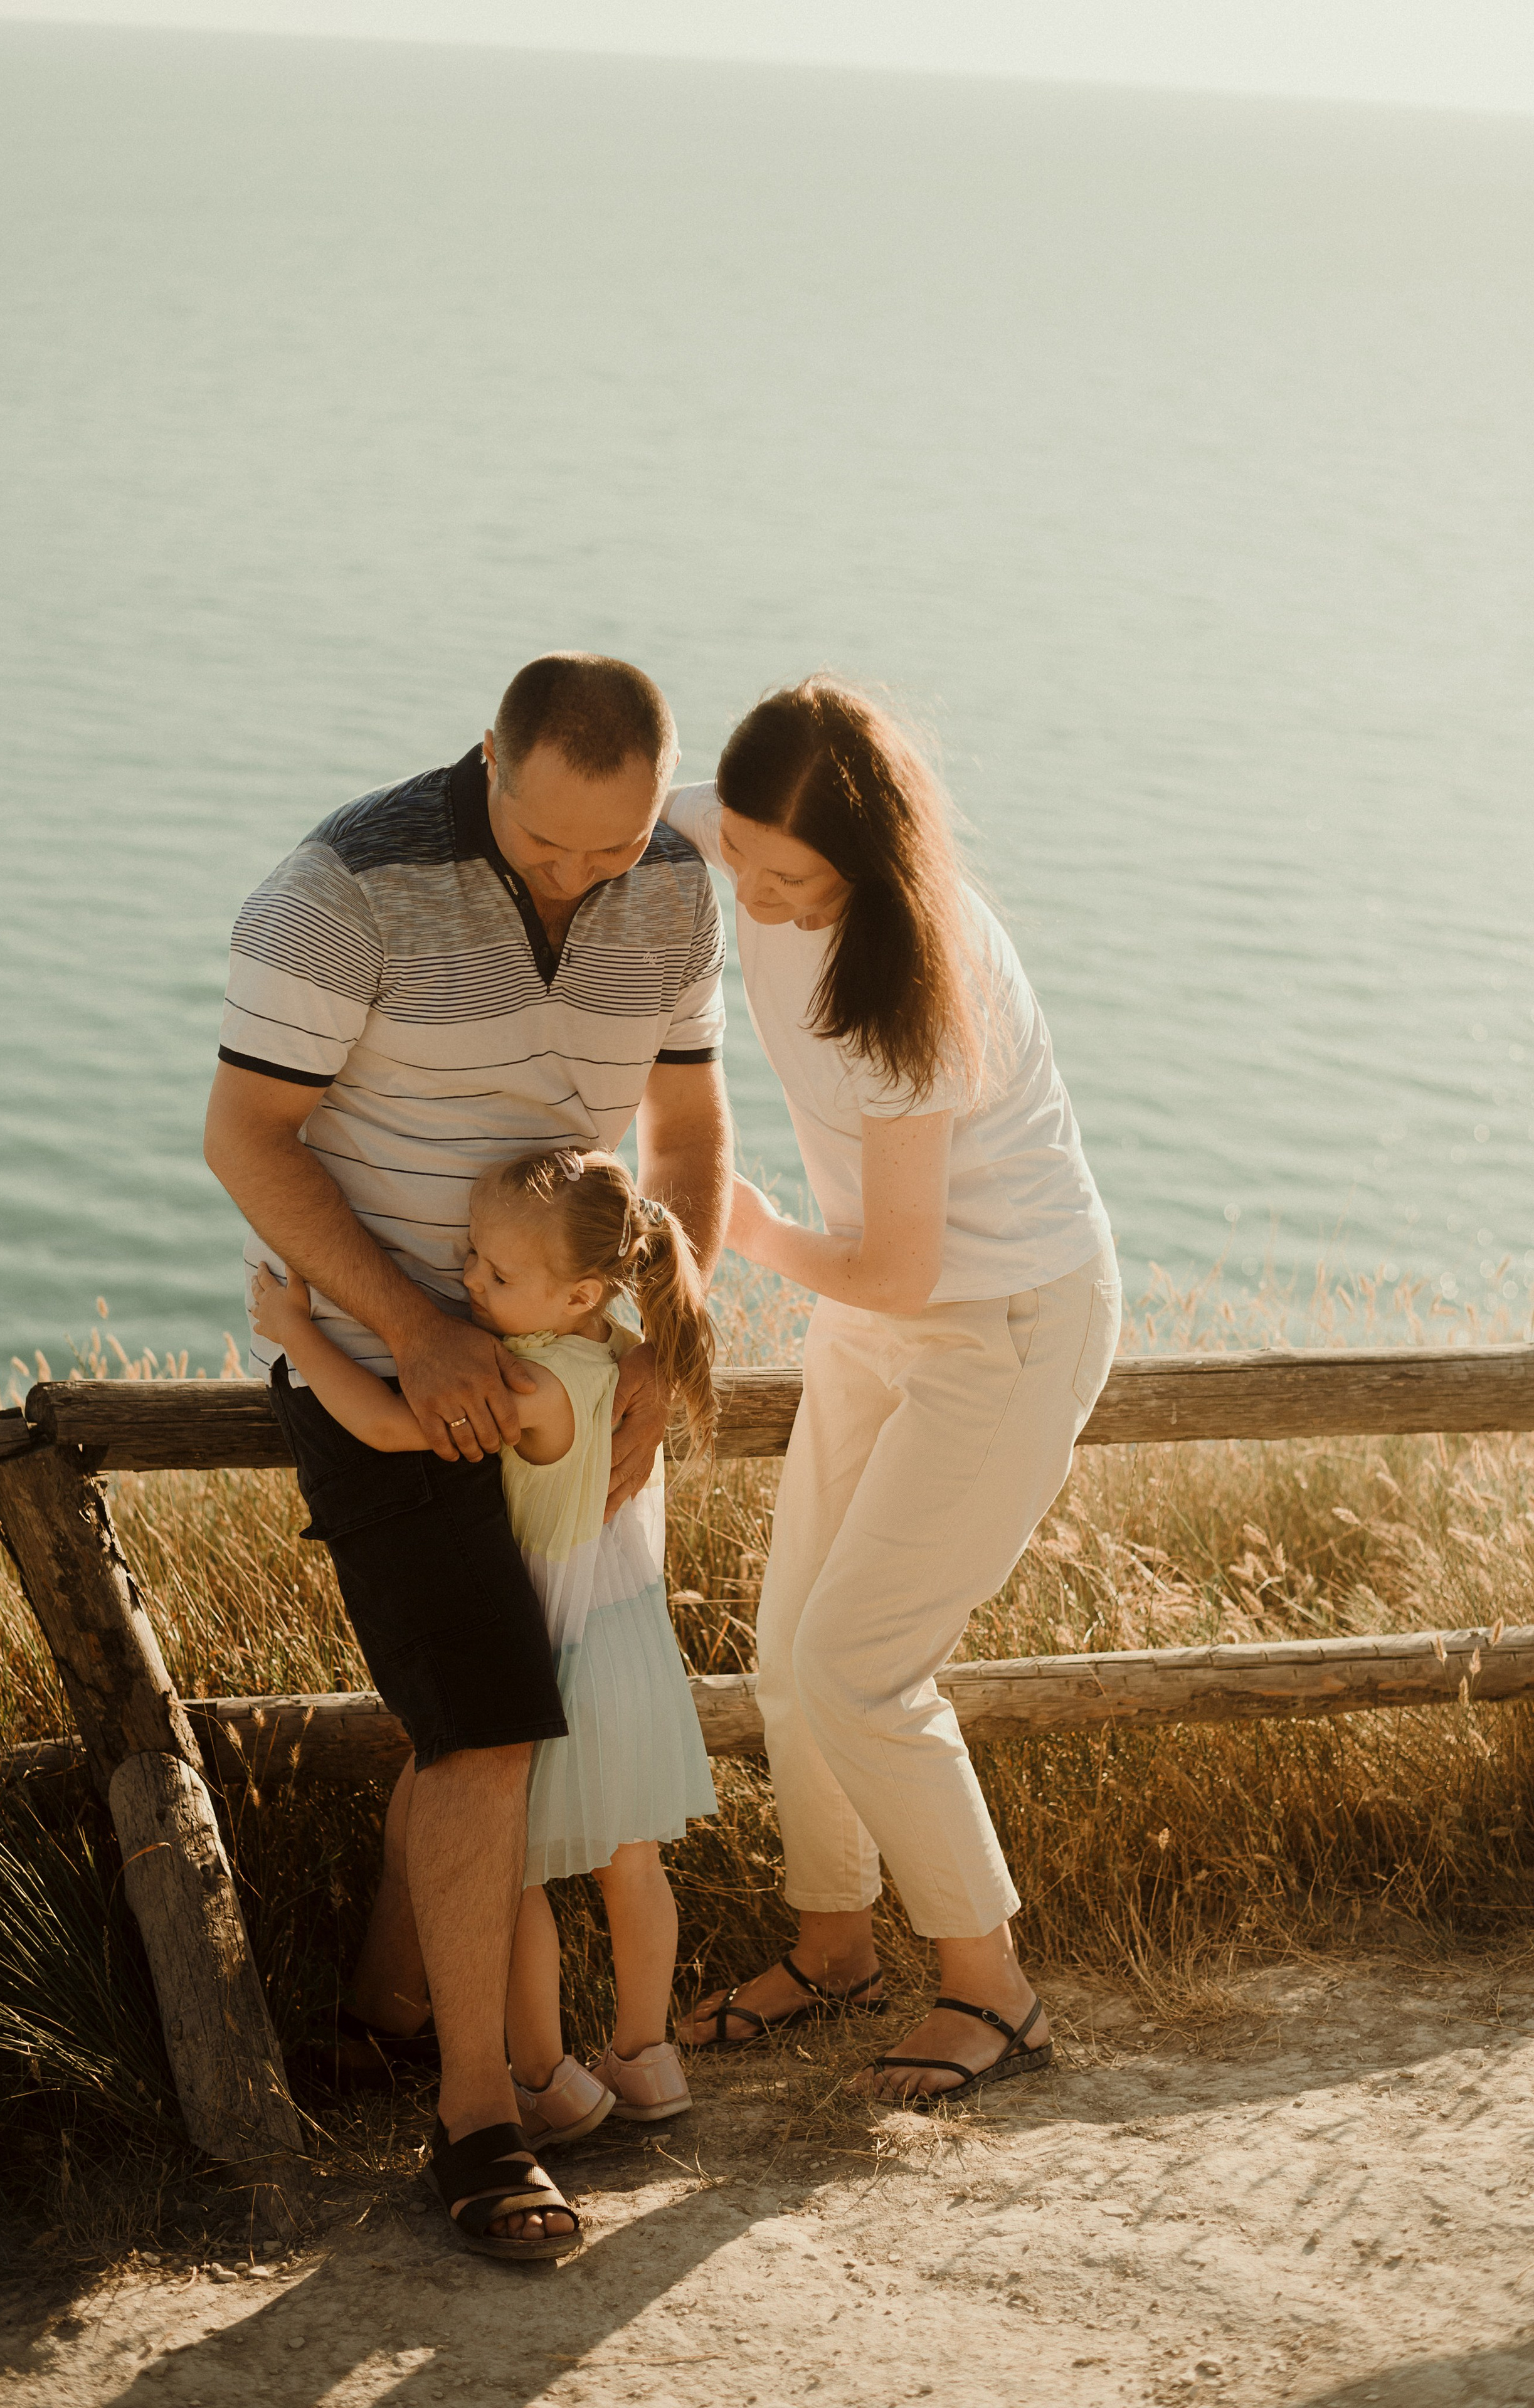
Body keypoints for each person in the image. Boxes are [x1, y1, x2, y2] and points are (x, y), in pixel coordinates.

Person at [203, 655, 731, 2260]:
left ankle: (376, 2011)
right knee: (496, 1721)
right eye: (552, 841)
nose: (587, 878)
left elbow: (691, 1142)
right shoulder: (340, 889)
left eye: (618, 846)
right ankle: (480, 2128)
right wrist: (416, 1334)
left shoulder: (679, 885)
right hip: (392, 1370)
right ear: (488, 760)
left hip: (575, 1372)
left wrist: (652, 1343)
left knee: (470, 1712)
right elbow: (246, 1139)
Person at [669, 676, 1120, 2104]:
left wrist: (734, 1226)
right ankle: (832, 1946)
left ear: (861, 870)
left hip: (995, 1320)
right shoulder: (741, 836)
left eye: (789, 878)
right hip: (872, 1308)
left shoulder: (916, 987)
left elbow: (899, 1267)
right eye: (739, 857)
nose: (756, 893)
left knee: (858, 1664)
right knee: (786, 1646)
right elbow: (588, 819)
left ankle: (992, 1991)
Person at [250, 1147, 717, 2256]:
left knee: (507, 1875)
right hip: (627, 1637)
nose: (466, 1282)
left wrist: (298, 1331)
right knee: (632, 1859)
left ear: (577, 1293)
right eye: (468, 1256)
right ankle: (647, 2061)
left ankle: (547, 2080)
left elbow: (384, 1425)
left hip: (555, 1643)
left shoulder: (531, 1381)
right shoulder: (620, 1346)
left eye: (494, 1274)